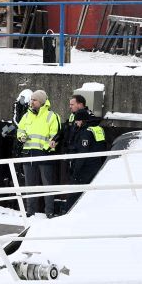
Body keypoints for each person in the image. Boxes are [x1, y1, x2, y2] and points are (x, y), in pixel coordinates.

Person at [15, 88, 61, 216]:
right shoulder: (26, 115)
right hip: (28, 154)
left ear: (41, 102)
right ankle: (30, 212)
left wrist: (47, 148)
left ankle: (49, 212)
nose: (31, 102)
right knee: (29, 185)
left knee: (47, 185)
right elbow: (20, 130)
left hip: (44, 154)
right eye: (31, 100)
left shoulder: (52, 116)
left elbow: (56, 135)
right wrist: (21, 136)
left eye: (34, 100)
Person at [62, 94, 108, 204]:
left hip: (84, 167)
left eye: (77, 122)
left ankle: (68, 213)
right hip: (95, 165)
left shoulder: (85, 132)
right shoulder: (96, 128)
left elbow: (83, 152)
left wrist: (75, 170)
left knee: (75, 194)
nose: (76, 124)